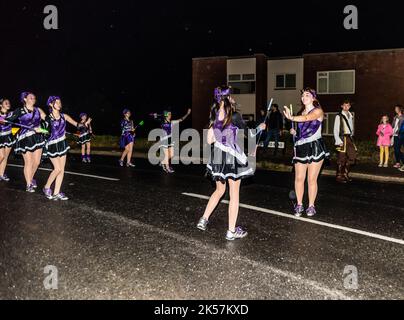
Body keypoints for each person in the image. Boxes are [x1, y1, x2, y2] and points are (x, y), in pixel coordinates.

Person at [197, 86, 266, 240]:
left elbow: (209, 140)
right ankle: (231, 231)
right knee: (234, 194)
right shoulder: (234, 116)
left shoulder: (214, 116)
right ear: (227, 99)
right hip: (231, 158)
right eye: (231, 96)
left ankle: (204, 219)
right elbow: (249, 133)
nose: (234, 99)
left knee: (219, 191)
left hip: (218, 156)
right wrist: (260, 128)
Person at [283, 88, 330, 217]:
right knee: (299, 178)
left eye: (307, 95)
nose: (304, 97)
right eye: (303, 95)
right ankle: (299, 204)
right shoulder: (300, 113)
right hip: (301, 147)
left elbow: (308, 118)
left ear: (313, 98)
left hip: (315, 146)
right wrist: (295, 132)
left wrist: (292, 117)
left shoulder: (318, 111)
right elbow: (301, 131)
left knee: (311, 179)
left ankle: (311, 205)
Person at [43, 96, 91, 200]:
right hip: (52, 145)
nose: (59, 104)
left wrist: (85, 124)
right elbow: (44, 131)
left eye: (60, 102)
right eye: (57, 102)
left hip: (62, 144)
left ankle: (56, 192)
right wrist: (40, 129)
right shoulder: (48, 118)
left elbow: (77, 125)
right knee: (57, 169)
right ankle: (46, 187)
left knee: (62, 170)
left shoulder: (64, 116)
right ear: (51, 104)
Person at [4, 92, 47, 192]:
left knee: (36, 162)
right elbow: (8, 119)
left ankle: (31, 178)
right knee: (29, 162)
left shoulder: (38, 110)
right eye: (30, 97)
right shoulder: (20, 110)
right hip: (25, 138)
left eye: (34, 97)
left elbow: (47, 120)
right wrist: (2, 119)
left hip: (37, 137)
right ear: (25, 99)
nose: (33, 99)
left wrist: (43, 128)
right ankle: (28, 184)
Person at [160, 108, 191, 173]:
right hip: (164, 140)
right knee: (166, 154)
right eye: (169, 114)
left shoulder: (172, 122)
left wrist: (187, 114)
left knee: (171, 154)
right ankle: (167, 168)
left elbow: (181, 119)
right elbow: (164, 125)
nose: (170, 115)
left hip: (170, 140)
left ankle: (163, 162)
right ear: (166, 115)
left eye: (170, 114)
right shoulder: (163, 122)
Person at [333, 100, 357, 183]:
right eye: (345, 105)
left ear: (350, 106)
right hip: (342, 138)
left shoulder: (350, 115)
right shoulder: (338, 116)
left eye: (348, 105)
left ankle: (345, 174)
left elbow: (351, 128)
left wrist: (351, 136)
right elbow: (336, 129)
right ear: (342, 106)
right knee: (341, 158)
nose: (346, 107)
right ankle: (339, 176)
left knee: (352, 156)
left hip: (349, 138)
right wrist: (338, 140)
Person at [0, 99, 16, 182]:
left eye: (9, 102)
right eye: (5, 103)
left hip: (9, 136)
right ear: (1, 105)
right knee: (1, 156)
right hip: (0, 137)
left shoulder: (11, 114)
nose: (8, 104)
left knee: (5, 157)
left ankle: (1, 174)